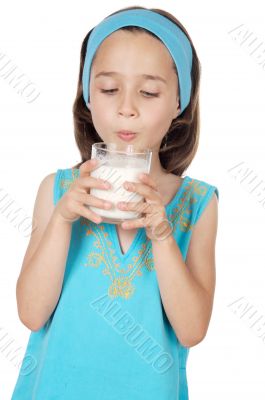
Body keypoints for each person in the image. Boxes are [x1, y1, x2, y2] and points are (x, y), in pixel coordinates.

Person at [11, 6, 219, 400]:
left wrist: (162, 234)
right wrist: (60, 221)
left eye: (149, 92)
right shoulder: (57, 190)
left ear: (179, 102)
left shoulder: (197, 203)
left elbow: (192, 330)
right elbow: (31, 313)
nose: (127, 107)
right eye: (109, 89)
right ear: (89, 96)